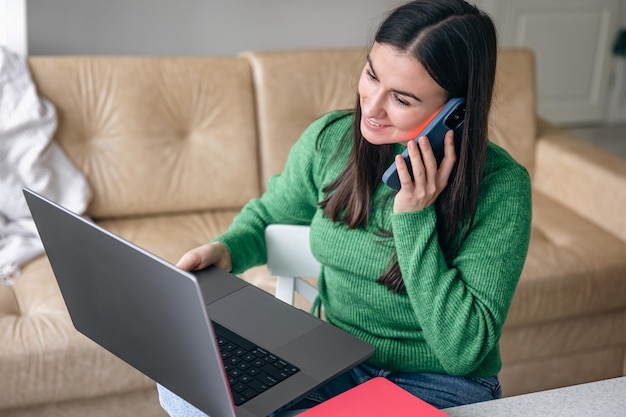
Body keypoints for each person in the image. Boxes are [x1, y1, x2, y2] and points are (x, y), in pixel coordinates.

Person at [158, 0, 532, 415]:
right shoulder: (330, 141)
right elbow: (268, 217)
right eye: (371, 75)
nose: (370, 108)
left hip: (440, 384)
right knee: (185, 383)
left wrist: (413, 217)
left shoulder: (502, 188)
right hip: (332, 362)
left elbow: (462, 350)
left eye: (402, 99)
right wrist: (225, 251)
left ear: (456, 113)